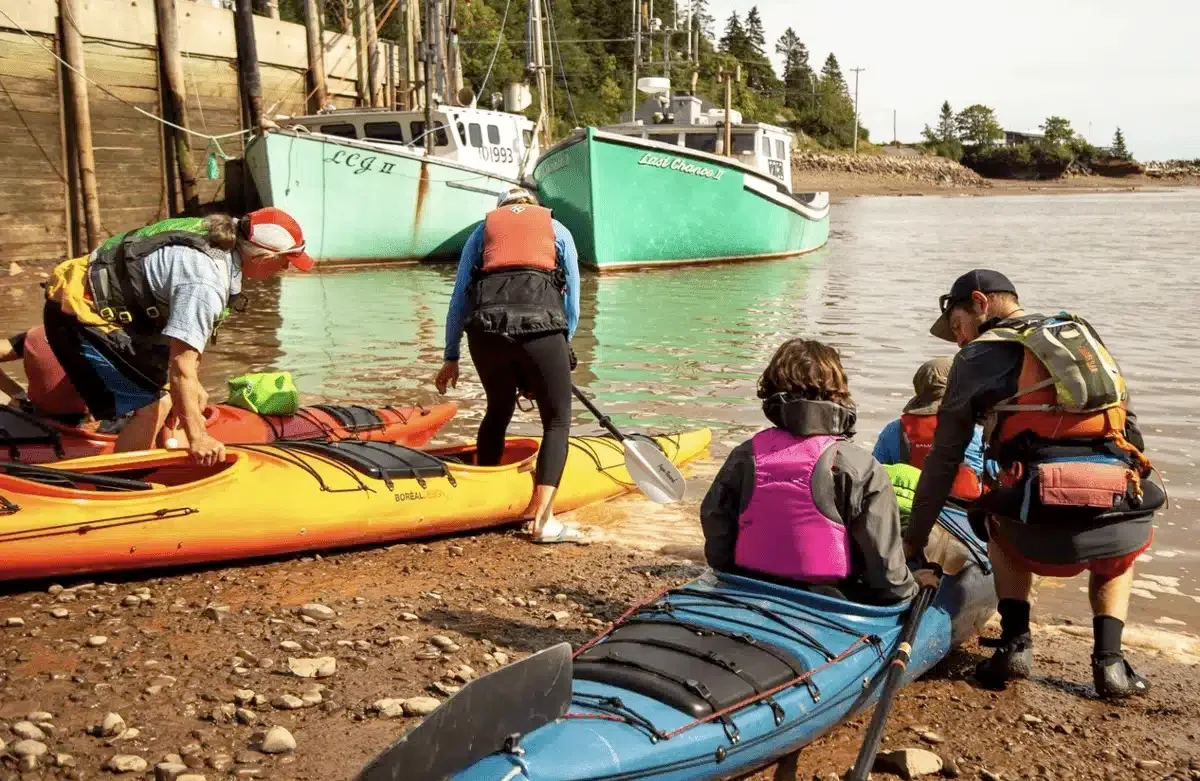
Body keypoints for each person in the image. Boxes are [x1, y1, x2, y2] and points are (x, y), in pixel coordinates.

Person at [903, 269, 1160, 698]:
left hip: (1033, 527)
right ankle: (1110, 663)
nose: (959, 340)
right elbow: (1129, 430)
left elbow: (944, 460)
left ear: (980, 304)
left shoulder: (975, 358)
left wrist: (914, 542)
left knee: (990, 511)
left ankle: (1015, 645)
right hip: (1118, 521)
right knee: (1118, 548)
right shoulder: (1081, 337)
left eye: (957, 326)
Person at [42, 208, 315, 465]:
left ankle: (170, 456)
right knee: (156, 402)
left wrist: (191, 392)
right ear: (261, 258)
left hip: (112, 304)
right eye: (285, 261)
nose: (285, 269)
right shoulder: (205, 283)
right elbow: (181, 367)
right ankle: (122, 483)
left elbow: (185, 358)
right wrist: (199, 435)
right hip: (78, 314)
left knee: (191, 396)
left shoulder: (225, 236)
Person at [700, 338, 918, 606]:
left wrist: (730, 575)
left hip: (748, 586)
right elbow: (887, 574)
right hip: (829, 601)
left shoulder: (744, 456)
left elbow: (716, 528)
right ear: (839, 395)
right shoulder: (860, 467)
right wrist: (913, 588)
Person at [434, 188, 582, 543]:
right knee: (557, 420)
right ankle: (544, 522)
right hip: (543, 329)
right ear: (533, 206)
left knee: (497, 409)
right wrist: (564, 344)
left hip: (484, 332)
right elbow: (573, 297)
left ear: (500, 210)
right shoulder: (557, 230)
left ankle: (484, 501)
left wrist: (450, 356)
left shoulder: (481, 232)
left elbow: (459, 298)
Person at [873, 356, 986, 504]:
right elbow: (993, 471)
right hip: (960, 512)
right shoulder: (973, 432)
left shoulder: (894, 430)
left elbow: (874, 474)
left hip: (911, 508)